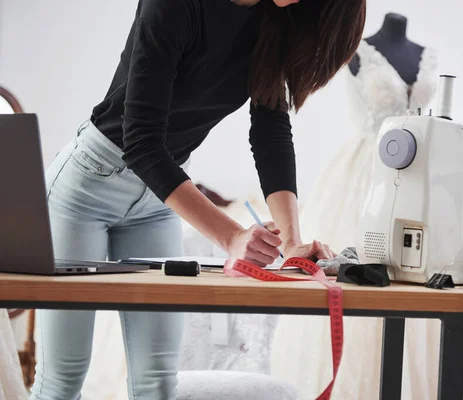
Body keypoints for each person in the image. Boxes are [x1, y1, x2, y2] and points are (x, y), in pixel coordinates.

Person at [29, 0, 366, 399]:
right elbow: (141, 142)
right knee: (63, 379)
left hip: (158, 201)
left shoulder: (272, 21)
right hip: (88, 186)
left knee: (157, 381)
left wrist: (293, 242)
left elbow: (271, 131)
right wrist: (231, 237)